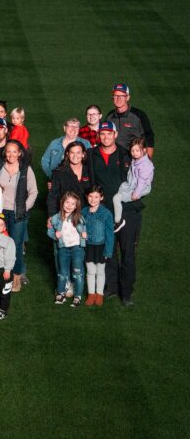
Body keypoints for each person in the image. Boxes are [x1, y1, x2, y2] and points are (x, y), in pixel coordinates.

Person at [87, 121, 139, 305]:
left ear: (116, 135)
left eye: (109, 133)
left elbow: (142, 173)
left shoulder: (127, 154)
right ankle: (111, 287)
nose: (106, 137)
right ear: (98, 136)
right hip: (103, 212)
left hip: (128, 212)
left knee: (127, 253)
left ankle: (126, 293)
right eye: (102, 134)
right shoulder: (91, 155)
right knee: (107, 251)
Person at [0, 141, 37, 291]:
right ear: (4, 153)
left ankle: (16, 277)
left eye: (15, 151)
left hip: (18, 213)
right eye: (8, 151)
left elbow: (34, 191)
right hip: (1, 212)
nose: (11, 155)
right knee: (1, 244)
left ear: (20, 153)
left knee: (16, 245)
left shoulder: (26, 170)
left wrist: (24, 208)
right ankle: (2, 275)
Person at [48, 191, 87, 307]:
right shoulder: (56, 218)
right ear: (62, 202)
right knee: (62, 272)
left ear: (76, 206)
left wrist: (85, 233)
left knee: (77, 272)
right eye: (67, 202)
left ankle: (77, 295)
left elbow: (84, 230)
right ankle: (60, 293)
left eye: (73, 204)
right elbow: (49, 231)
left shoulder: (78, 217)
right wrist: (55, 235)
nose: (69, 205)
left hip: (77, 248)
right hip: (63, 248)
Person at [81, 186, 114, 307]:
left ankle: (99, 294)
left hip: (101, 247)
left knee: (100, 272)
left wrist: (108, 251)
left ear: (102, 197)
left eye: (96, 197)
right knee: (90, 271)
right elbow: (79, 227)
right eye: (90, 196)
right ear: (86, 197)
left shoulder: (106, 214)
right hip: (88, 247)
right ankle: (91, 294)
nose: (93, 199)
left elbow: (110, 234)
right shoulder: (83, 212)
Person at [112, 137, 154, 231]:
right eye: (132, 150)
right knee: (118, 190)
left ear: (143, 150)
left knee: (116, 198)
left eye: (137, 150)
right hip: (131, 184)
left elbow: (142, 181)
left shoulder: (146, 165)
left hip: (140, 188)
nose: (134, 153)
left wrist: (137, 193)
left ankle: (118, 221)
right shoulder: (137, 160)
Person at [105, 83, 154, 156]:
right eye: (116, 96)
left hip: (134, 159)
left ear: (127, 98)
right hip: (114, 159)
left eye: (122, 96)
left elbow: (149, 139)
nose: (118, 99)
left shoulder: (139, 115)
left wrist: (147, 161)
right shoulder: (110, 117)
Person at [46, 141, 93, 216]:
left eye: (78, 152)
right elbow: (52, 198)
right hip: (66, 215)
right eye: (72, 152)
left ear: (83, 154)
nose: (75, 156)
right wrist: (52, 216)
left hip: (87, 214)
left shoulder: (90, 171)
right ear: (67, 154)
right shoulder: (59, 172)